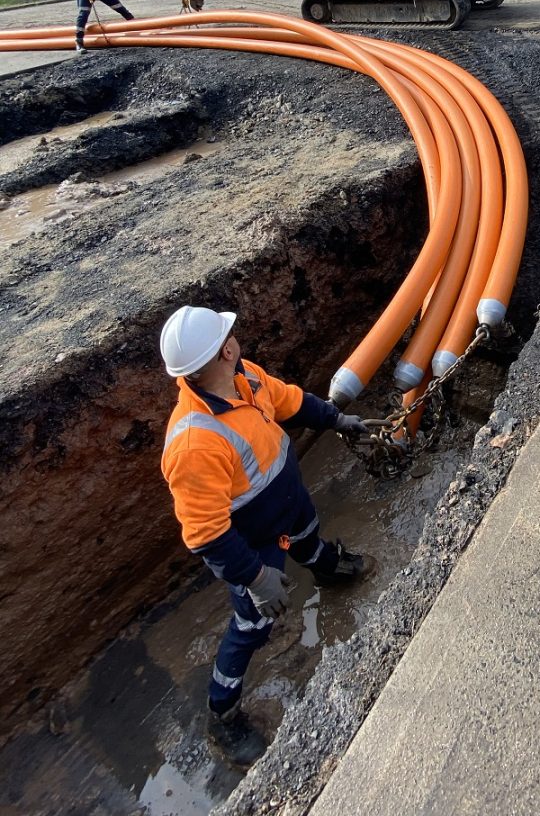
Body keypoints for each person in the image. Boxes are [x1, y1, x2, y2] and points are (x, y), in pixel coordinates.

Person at [159, 305, 369, 767]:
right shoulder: (194, 444)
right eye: (226, 338)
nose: (234, 339)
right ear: (218, 354)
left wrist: (336, 419)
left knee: (311, 541)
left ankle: (328, 569)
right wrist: (256, 579)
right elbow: (207, 534)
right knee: (254, 626)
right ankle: (223, 714)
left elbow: (290, 400)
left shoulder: (246, 378)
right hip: (252, 545)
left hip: (289, 506)